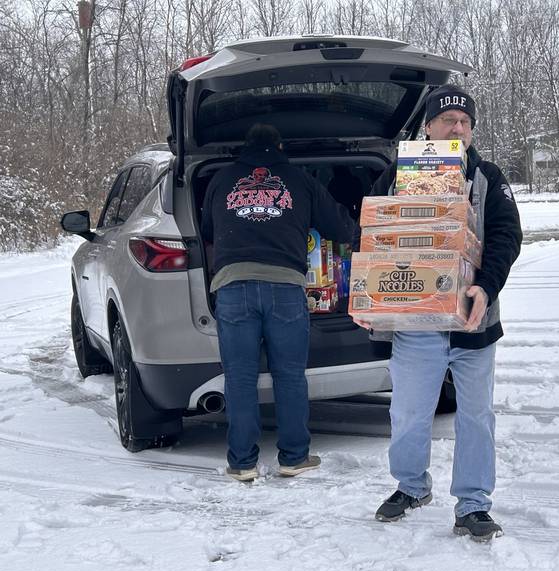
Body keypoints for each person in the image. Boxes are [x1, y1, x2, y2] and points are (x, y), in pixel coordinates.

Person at [354, 85, 522, 542]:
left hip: (473, 325)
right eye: (448, 120)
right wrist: (369, 299)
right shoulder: (396, 176)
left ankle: (472, 503)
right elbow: (371, 236)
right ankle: (411, 487)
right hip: (416, 325)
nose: (458, 127)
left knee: (475, 417)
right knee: (408, 414)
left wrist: (486, 288)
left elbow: (507, 236)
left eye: (465, 122)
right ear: (428, 127)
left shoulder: (488, 176)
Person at [202, 124, 355, 483]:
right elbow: (340, 228)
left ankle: (242, 463)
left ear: (244, 148)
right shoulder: (298, 179)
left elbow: (207, 229)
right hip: (285, 287)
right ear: (280, 145)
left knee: (239, 377)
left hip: (233, 286)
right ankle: (294, 457)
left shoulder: (222, 180)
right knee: (289, 375)